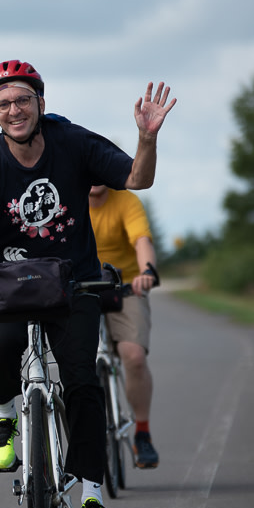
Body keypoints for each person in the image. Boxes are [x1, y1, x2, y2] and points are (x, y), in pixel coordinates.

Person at [0, 60, 175, 508]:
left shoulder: (72, 142)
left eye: (22, 100)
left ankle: (92, 497)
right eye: (3, 104)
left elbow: (137, 178)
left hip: (74, 283)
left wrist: (148, 139)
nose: (14, 110)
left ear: (41, 103)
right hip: (8, 283)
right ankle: (4, 418)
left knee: (82, 384)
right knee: (0, 348)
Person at [88, 184, 160, 468]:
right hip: (80, 288)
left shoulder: (126, 201)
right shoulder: (66, 200)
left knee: (134, 355)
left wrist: (147, 272)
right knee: (74, 361)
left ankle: (142, 434)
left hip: (125, 285)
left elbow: (141, 240)